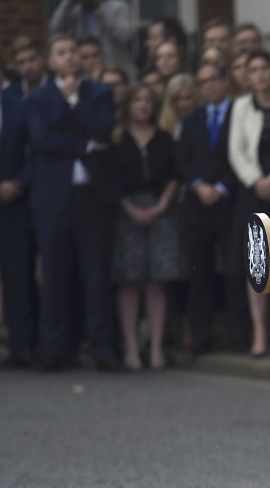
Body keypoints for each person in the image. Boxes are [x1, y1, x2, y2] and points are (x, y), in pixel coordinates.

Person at [27, 33, 120, 371]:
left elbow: (103, 132)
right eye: (61, 53)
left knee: (96, 276)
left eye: (72, 53)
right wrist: (82, 146)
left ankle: (103, 349)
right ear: (50, 61)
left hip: (92, 199)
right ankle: (54, 349)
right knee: (54, 277)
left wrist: (75, 103)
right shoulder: (37, 98)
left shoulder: (99, 93)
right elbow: (41, 141)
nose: (68, 58)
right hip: (53, 200)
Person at [110, 85, 181, 371]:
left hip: (159, 209)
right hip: (126, 212)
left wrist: (161, 206)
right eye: (137, 100)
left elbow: (175, 175)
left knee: (156, 283)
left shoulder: (165, 139)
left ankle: (156, 347)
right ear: (127, 105)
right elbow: (111, 179)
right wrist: (130, 208)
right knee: (129, 282)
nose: (143, 105)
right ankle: (130, 347)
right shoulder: (117, 139)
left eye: (148, 101)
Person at [228, 51, 270, 358]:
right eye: (254, 70)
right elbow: (236, 151)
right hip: (252, 191)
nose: (260, 75)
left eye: (265, 68)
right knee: (258, 264)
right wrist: (257, 181)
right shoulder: (240, 106)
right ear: (247, 76)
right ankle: (261, 333)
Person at [177, 61, 238, 357]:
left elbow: (241, 154)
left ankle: (238, 334)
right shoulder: (192, 119)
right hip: (198, 204)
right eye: (204, 82)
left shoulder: (240, 113)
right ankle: (201, 337)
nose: (210, 85)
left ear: (225, 81)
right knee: (198, 272)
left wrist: (222, 187)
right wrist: (199, 184)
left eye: (215, 79)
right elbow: (183, 160)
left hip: (230, 201)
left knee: (233, 269)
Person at [0, 57, 37, 368]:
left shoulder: (19, 106)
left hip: (13, 205)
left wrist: (18, 184)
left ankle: (21, 346)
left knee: (18, 278)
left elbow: (37, 154)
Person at [49, 0, 135, 80]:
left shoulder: (117, 6)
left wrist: (99, 8)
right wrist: (68, 3)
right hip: (82, 72)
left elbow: (124, 35)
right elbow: (55, 29)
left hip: (114, 67)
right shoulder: (74, 9)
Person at [158, 73, 199, 139]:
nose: (183, 104)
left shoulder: (208, 125)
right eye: (177, 99)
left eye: (188, 98)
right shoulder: (162, 130)